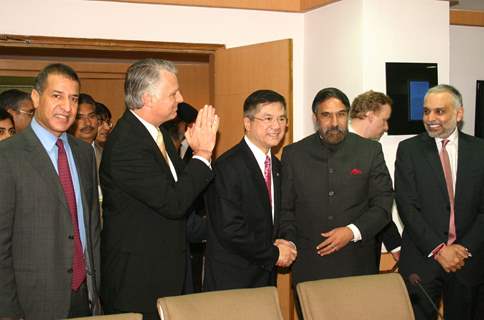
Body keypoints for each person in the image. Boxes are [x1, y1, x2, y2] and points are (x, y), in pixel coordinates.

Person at [100, 58, 219, 320]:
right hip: (138, 281)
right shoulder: (127, 144)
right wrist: (202, 153)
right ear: (147, 99)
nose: (181, 98)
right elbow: (173, 202)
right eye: (173, 93)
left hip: (168, 271)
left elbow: (182, 195)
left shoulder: (158, 133)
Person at [0, 63, 101, 319]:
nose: (67, 107)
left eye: (73, 98)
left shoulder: (83, 153)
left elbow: (90, 227)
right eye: (57, 96)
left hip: (85, 298)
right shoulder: (7, 156)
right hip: (33, 304)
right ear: (36, 98)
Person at [279, 87, 393, 287]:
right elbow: (285, 209)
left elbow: (383, 205)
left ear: (347, 115)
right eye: (326, 115)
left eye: (340, 115)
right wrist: (290, 243)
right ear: (315, 118)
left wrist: (352, 231)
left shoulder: (370, 151)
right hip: (309, 266)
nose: (334, 123)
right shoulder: (294, 154)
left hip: (357, 264)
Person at [395, 84, 484, 320]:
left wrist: (462, 250)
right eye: (426, 111)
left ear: (459, 113)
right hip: (422, 262)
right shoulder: (409, 150)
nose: (431, 118)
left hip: (468, 262)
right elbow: (407, 206)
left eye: (439, 111)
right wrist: (440, 249)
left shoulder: (480, 150)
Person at [203, 89, 297, 291]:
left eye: (282, 119)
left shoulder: (278, 167)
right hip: (233, 279)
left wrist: (288, 243)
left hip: (265, 278)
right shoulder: (227, 167)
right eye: (268, 118)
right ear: (247, 123)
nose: (276, 126)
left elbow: (282, 215)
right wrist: (273, 254)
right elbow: (230, 229)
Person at [349, 90, 402, 264]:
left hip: (368, 253)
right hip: (339, 254)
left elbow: (379, 203)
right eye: (384, 120)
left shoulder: (372, 151)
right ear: (370, 116)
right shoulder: (337, 146)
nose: (387, 128)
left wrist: (395, 245)